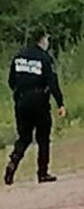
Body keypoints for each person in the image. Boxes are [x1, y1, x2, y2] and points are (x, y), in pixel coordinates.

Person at [6, 28, 66, 186]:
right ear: (41, 39)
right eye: (46, 38)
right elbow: (52, 82)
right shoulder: (44, 58)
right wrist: (60, 103)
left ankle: (13, 161)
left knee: (24, 137)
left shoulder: (18, 57)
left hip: (21, 101)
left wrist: (20, 93)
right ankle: (42, 173)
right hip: (39, 101)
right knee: (43, 138)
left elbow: (11, 81)